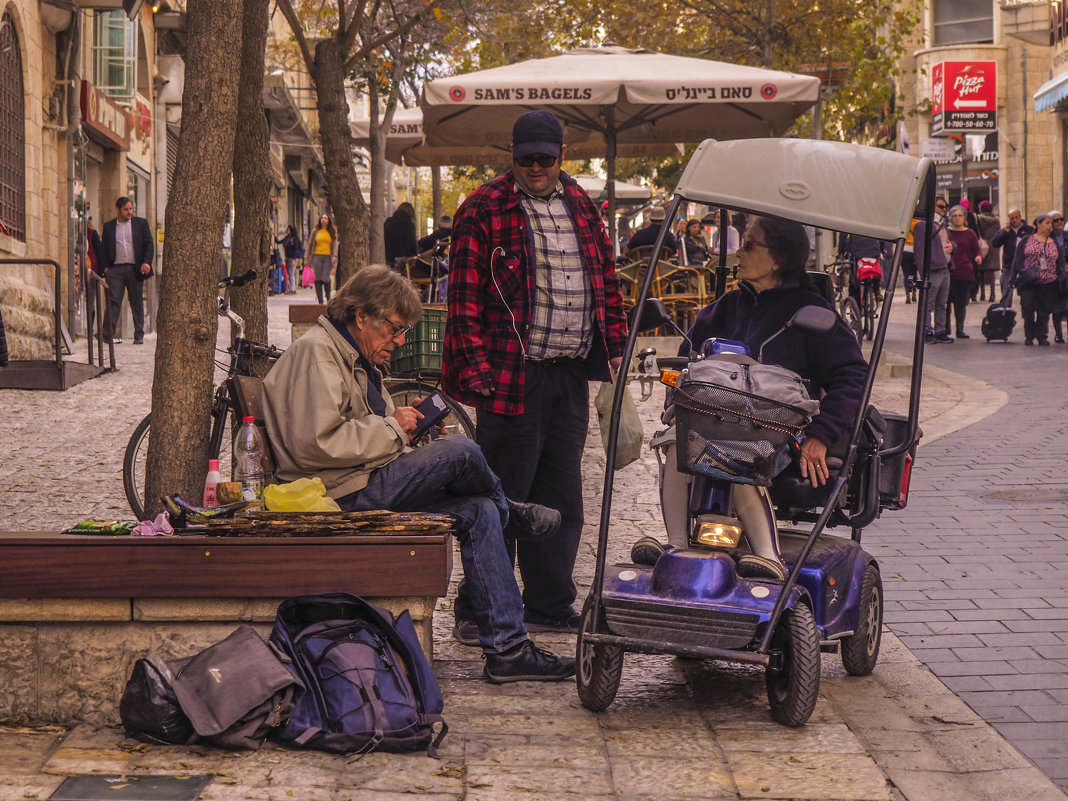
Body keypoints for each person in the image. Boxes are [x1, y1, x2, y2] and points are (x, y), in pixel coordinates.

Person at [261, 264, 575, 683]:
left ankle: (508, 649)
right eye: (393, 329)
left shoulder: (349, 355)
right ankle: (513, 513)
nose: (399, 340)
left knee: (480, 509)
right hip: (336, 494)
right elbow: (315, 443)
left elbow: (361, 431)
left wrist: (410, 432)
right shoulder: (319, 353)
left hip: (360, 480)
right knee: (462, 451)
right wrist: (395, 429)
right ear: (361, 317)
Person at [443, 109, 628, 641]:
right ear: (513, 156)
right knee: (502, 499)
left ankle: (549, 601)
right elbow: (463, 300)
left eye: (545, 158)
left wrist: (616, 349)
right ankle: (478, 608)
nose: (536, 167)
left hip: (568, 374)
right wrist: (479, 373)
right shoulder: (483, 207)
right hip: (509, 374)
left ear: (562, 155)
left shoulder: (583, 207)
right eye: (526, 159)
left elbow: (606, 285)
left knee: (561, 496)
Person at [630, 217, 867, 580]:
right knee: (675, 443)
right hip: (715, 422)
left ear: (778, 260)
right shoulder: (724, 307)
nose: (738, 252)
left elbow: (853, 377)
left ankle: (768, 556)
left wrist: (822, 434)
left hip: (780, 431)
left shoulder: (812, 311)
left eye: (750, 245)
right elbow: (684, 360)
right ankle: (676, 546)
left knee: (737, 453)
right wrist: (677, 403)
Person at [100, 197, 154, 345]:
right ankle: (107, 334)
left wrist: (146, 262)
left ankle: (139, 335)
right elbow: (103, 249)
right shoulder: (109, 226)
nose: (129, 212)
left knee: (136, 301)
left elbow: (149, 244)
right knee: (113, 301)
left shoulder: (141, 224)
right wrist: (105, 268)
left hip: (134, 268)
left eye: (130, 209)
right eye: (126, 209)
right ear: (118, 210)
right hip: (115, 269)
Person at [1010, 213, 1065, 347]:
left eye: (1050, 224)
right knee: (1028, 308)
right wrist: (1013, 278)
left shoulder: (1054, 242)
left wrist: (1060, 278)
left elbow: (1060, 262)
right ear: (1038, 224)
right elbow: (1017, 260)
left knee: (1044, 311)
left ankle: (1042, 336)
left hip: (1049, 283)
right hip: (1029, 281)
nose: (1049, 226)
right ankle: (1029, 335)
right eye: (1047, 223)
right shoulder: (1027, 240)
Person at [914, 199, 954, 344]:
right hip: (932, 269)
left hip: (945, 268)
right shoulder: (923, 225)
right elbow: (919, 251)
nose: (944, 209)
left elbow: (948, 243)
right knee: (928, 303)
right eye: (941, 207)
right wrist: (923, 271)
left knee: (942, 303)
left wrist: (952, 248)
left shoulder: (943, 226)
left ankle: (940, 330)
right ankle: (926, 331)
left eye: (946, 207)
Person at [945, 205, 983, 339]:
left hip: (964, 271)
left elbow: (976, 249)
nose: (957, 218)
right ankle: (946, 329)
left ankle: (960, 330)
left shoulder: (970, 233)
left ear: (964, 217)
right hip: (949, 270)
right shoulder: (946, 232)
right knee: (946, 302)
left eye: (960, 215)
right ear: (950, 218)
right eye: (954, 216)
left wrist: (978, 257)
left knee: (961, 303)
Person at [991, 209, 1034, 298]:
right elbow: (994, 244)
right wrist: (1004, 233)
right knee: (1006, 293)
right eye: (1012, 218)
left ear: (1020, 217)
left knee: (1027, 296)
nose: (1014, 220)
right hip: (1008, 266)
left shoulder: (1029, 230)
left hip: (1025, 266)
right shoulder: (1005, 230)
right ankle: (1005, 310)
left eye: (1016, 218)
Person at [304, 213, 338, 304]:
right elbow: (310, 244)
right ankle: (320, 300)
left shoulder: (332, 231)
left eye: (325, 218)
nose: (323, 219)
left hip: (327, 257)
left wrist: (334, 255)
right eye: (322, 218)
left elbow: (335, 244)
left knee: (326, 278)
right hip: (316, 256)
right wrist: (306, 258)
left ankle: (328, 297)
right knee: (318, 278)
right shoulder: (316, 231)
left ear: (328, 220)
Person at [976, 201, 1001, 302]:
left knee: (981, 270)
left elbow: (978, 232)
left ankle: (982, 294)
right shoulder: (996, 220)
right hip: (993, 245)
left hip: (982, 245)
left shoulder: (979, 218)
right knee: (990, 270)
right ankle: (993, 294)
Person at [84, 218, 105, 339]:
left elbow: (99, 252)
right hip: (79, 272)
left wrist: (101, 272)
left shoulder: (92, 234)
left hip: (92, 272)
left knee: (90, 301)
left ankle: (90, 328)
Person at [384, 202, 418, 269]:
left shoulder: (388, 221)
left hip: (388, 256)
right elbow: (412, 243)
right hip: (403, 258)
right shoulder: (409, 225)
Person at [275, 225, 302, 295]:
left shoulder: (294, 239)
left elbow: (296, 250)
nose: (286, 230)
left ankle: (292, 289)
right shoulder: (287, 238)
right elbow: (278, 242)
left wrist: (294, 259)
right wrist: (275, 237)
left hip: (292, 258)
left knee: (291, 273)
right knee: (289, 273)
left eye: (288, 229)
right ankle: (291, 288)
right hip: (287, 257)